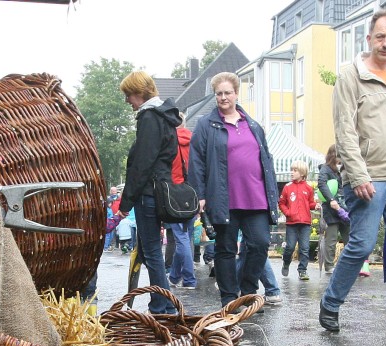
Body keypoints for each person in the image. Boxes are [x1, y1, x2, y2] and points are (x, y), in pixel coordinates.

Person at [319, 9, 386, 339]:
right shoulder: (350, 76)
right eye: (380, 36)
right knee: (362, 245)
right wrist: (358, 174)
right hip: (369, 177)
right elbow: (345, 130)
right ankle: (331, 302)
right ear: (369, 38)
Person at [189, 72, 279, 306]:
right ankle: (229, 298)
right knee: (226, 249)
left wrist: (272, 195)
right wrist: (200, 195)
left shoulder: (253, 125)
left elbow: (266, 160)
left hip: (256, 197)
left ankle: (248, 292)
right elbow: (196, 161)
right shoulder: (205, 125)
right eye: (219, 93)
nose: (223, 97)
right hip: (223, 198)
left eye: (227, 92)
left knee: (259, 244)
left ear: (236, 94)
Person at [117, 70, 184, 314]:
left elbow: (142, 164)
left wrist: (126, 202)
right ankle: (163, 304)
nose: (127, 100)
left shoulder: (149, 117)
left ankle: (162, 306)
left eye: (128, 95)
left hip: (147, 194)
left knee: (153, 252)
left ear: (139, 92)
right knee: (150, 251)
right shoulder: (166, 116)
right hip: (160, 190)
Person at [167, 118, 197, 290]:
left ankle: (189, 279)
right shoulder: (194, 141)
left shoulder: (169, 141)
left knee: (181, 238)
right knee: (186, 236)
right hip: (192, 194)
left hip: (174, 194)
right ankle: (174, 276)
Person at [279, 161, 318, 281]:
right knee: (290, 247)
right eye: (292, 170)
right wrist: (288, 212)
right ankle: (286, 262)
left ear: (302, 173)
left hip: (305, 223)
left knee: (304, 248)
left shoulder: (308, 188)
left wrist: (315, 205)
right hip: (291, 223)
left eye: (295, 170)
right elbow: (281, 203)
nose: (292, 172)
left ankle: (302, 270)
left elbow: (310, 203)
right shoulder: (287, 187)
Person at [317, 144, 350, 274]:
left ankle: (352, 265)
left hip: (344, 207)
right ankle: (329, 266)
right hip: (331, 209)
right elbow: (321, 184)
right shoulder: (325, 169)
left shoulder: (343, 169)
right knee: (331, 239)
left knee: (349, 238)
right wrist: (331, 199)